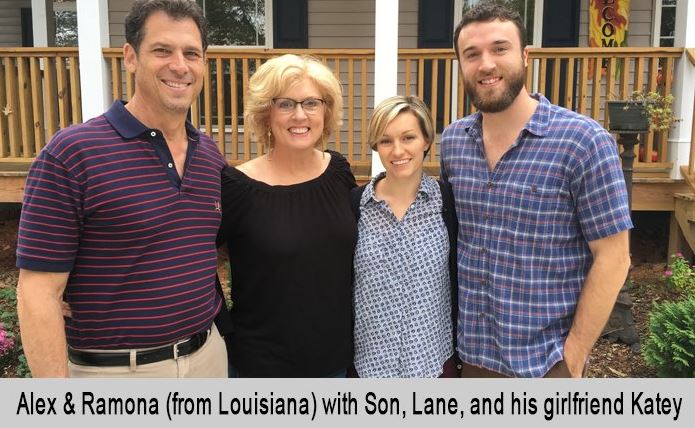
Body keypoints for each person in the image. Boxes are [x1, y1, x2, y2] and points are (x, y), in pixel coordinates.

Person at [16, 0, 228, 378]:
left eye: (191, 53)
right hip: (116, 375)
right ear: (130, 57)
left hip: (208, 359)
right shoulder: (72, 154)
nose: (180, 65)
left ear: (203, 64)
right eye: (162, 50)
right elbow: (38, 293)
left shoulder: (210, 156)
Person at [440, 2, 632, 378]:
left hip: (546, 366)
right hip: (472, 361)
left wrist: (574, 354)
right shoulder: (453, 143)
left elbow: (614, 257)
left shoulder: (582, 141)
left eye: (500, 48)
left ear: (525, 56)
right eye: (472, 54)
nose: (486, 64)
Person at [217, 54, 357, 377]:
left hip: (335, 363)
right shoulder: (236, 186)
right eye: (285, 104)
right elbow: (199, 261)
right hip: (262, 368)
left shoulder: (339, 172)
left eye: (311, 103)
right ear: (266, 114)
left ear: (326, 111)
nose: (299, 115)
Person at [350, 96, 459, 378]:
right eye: (386, 141)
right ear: (376, 145)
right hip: (368, 366)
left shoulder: (448, 203)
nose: (398, 150)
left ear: (426, 140)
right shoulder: (355, 205)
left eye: (408, 137)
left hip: (433, 364)